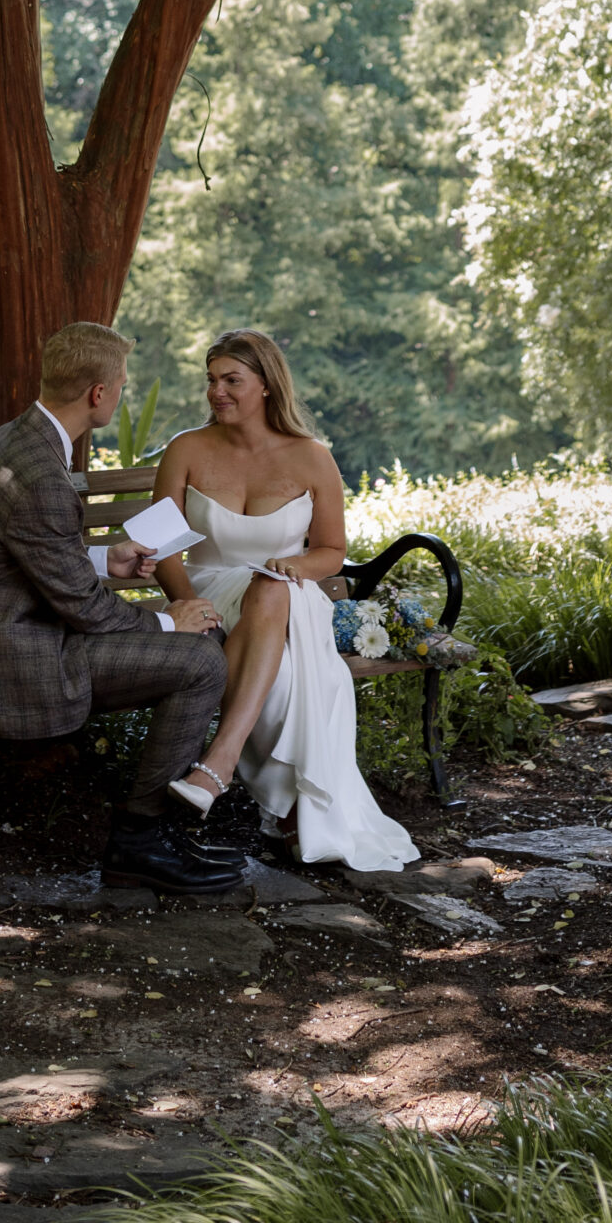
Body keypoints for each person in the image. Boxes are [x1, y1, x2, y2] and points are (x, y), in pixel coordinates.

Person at [0, 320, 239, 897]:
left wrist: (104, 559)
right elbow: (87, 613)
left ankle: (161, 830)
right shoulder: (41, 471)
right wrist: (169, 620)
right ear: (99, 393)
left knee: (200, 649)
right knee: (200, 660)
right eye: (120, 385)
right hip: (11, 665)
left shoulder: (14, 439)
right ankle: (141, 839)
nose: (119, 393)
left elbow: (34, 555)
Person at [149, 330, 419, 873]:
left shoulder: (312, 458)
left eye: (231, 380)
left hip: (290, 596)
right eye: (211, 380)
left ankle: (218, 765)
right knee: (297, 677)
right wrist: (186, 606)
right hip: (208, 594)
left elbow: (332, 552)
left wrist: (296, 566)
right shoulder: (186, 449)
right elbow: (160, 548)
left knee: (273, 587)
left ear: (267, 385)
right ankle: (289, 814)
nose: (216, 392)